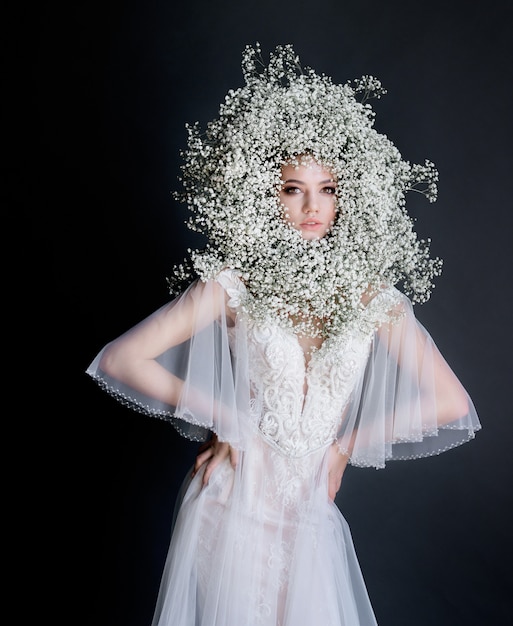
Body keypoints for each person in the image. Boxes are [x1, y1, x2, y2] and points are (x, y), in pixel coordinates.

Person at [86, 43, 481, 626]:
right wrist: (226, 418)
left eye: (328, 189)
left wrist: (345, 447)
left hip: (308, 518)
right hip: (231, 507)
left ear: (352, 197)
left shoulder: (375, 298)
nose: (312, 207)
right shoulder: (232, 285)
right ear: (264, 193)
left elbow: (451, 403)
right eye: (293, 187)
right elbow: (120, 359)